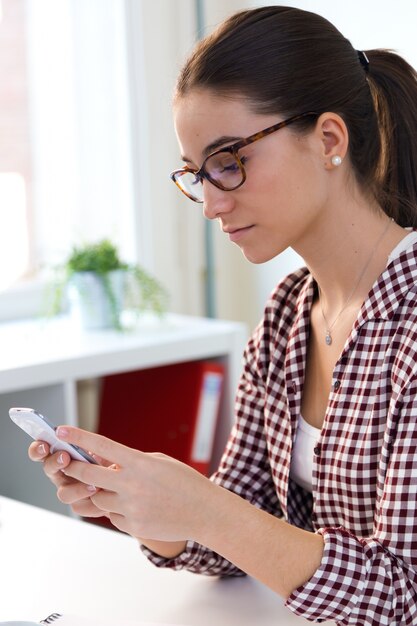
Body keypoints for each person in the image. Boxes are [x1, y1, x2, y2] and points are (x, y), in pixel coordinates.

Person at [29, 6, 417, 625]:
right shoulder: (288, 312)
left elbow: (402, 595)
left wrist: (205, 510)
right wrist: (148, 509)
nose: (210, 203)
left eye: (229, 159)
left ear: (329, 140)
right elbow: (241, 533)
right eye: (196, 174)